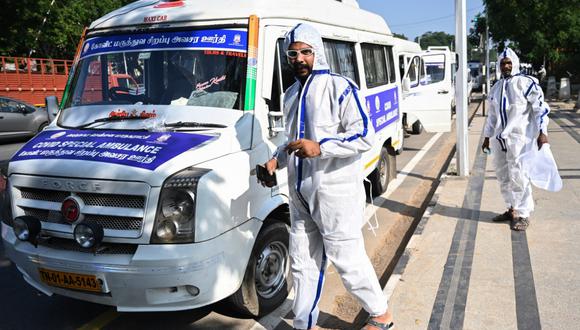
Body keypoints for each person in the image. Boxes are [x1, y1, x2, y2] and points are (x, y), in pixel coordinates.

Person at [260, 23, 393, 330]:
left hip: (335, 193)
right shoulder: (291, 94)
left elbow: (364, 135)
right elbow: (292, 140)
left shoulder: (340, 87)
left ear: (317, 53)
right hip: (300, 194)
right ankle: (303, 323)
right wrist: (275, 161)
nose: (299, 59)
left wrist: (322, 148)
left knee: (346, 259)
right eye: (292, 54)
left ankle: (382, 315)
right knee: (303, 262)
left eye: (305, 52)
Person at [482, 48, 550, 231]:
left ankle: (523, 214)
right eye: (503, 63)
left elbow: (540, 108)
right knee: (503, 175)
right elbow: (492, 117)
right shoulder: (496, 88)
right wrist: (487, 137)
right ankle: (511, 209)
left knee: (519, 175)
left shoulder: (526, 83)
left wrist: (542, 132)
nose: (506, 66)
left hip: (519, 139)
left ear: (515, 63)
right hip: (499, 140)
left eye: (509, 62)